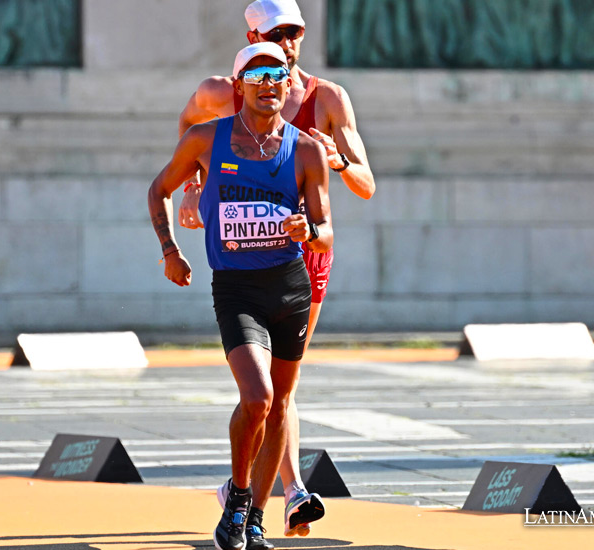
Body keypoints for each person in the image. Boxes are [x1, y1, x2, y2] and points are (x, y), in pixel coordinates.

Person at [176, 0, 376, 541]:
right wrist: (192, 190)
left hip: (307, 252)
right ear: (251, 33)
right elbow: (188, 128)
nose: (287, 42)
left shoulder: (327, 98)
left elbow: (366, 183)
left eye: (294, 32)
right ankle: (289, 491)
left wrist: (336, 161)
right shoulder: (223, 90)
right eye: (275, 33)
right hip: (245, 259)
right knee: (263, 390)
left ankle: (253, 495)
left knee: (284, 388)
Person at [147, 42, 331, 550]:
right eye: (259, 75)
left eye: (279, 75)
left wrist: (307, 229)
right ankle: (238, 496)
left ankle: (255, 521)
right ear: (238, 87)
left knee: (277, 409)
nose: (271, 83)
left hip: (289, 287)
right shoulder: (208, 139)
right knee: (258, 398)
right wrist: (170, 251)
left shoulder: (308, 149)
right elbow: (158, 188)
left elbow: (327, 230)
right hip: (236, 288)